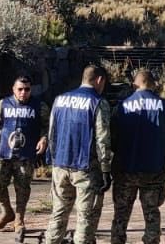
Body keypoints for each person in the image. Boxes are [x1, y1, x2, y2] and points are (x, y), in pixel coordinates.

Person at [110, 68, 165, 244]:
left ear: (135, 84)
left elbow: (112, 138)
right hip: (154, 171)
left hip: (125, 170)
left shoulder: (121, 107)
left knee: (121, 216)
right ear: (153, 84)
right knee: (152, 215)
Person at [47, 65, 114, 244]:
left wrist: (53, 160)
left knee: (58, 213)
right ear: (99, 80)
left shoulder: (59, 100)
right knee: (85, 217)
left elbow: (52, 133)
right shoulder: (98, 102)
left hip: (60, 164)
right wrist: (106, 169)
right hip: (86, 167)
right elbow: (103, 139)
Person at [0, 76, 49, 232]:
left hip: (26, 154)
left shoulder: (39, 106)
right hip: (4, 152)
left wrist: (44, 139)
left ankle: (19, 219)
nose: (23, 92)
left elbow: (48, 126)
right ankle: (7, 212)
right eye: (20, 89)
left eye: (27, 89)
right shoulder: (3, 104)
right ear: (13, 89)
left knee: (22, 188)